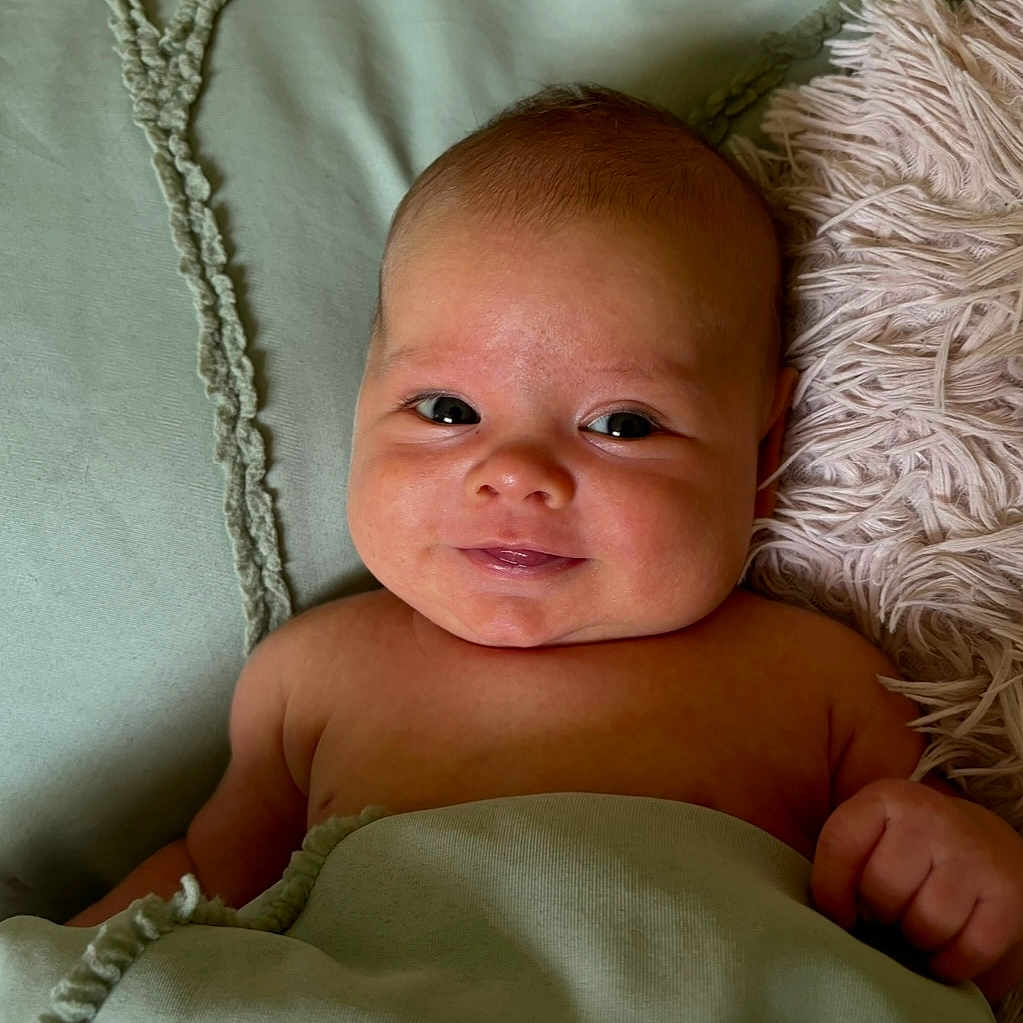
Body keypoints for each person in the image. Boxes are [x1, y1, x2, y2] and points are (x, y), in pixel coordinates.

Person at [68, 84, 1023, 1007]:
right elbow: (200, 892)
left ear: (763, 446)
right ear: (362, 398)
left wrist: (966, 869)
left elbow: (945, 909)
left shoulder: (817, 678)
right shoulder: (311, 676)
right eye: (447, 410)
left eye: (621, 423)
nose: (517, 472)